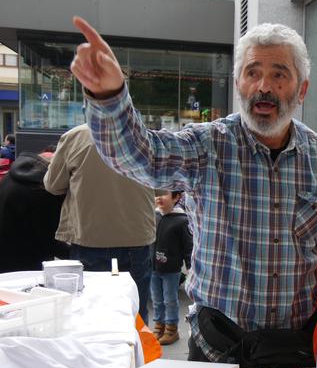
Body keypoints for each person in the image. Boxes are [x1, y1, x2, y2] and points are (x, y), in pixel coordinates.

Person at [69, 17, 317, 366]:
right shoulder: (206, 145)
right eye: (252, 73)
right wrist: (109, 96)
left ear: (302, 90)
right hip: (219, 345)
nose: (264, 87)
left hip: (300, 343)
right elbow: (139, 156)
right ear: (238, 84)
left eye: (279, 75)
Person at [43, 124, 155, 322]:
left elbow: (53, 185)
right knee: (135, 312)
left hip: (89, 237)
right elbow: (162, 186)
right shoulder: (144, 135)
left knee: (91, 313)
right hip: (137, 237)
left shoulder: (75, 137)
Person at [0, 148, 69, 272]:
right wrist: (79, 255)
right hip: (24, 264)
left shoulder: (12, 175)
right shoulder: (42, 189)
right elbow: (48, 239)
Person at [151, 190, 193, 346]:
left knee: (170, 300)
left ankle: (172, 328)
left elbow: (188, 246)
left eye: (164, 193)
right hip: (153, 267)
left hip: (171, 269)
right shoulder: (153, 216)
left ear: (176, 197)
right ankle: (159, 325)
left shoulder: (181, 221)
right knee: (156, 299)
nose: (159, 197)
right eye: (157, 193)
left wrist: (190, 267)